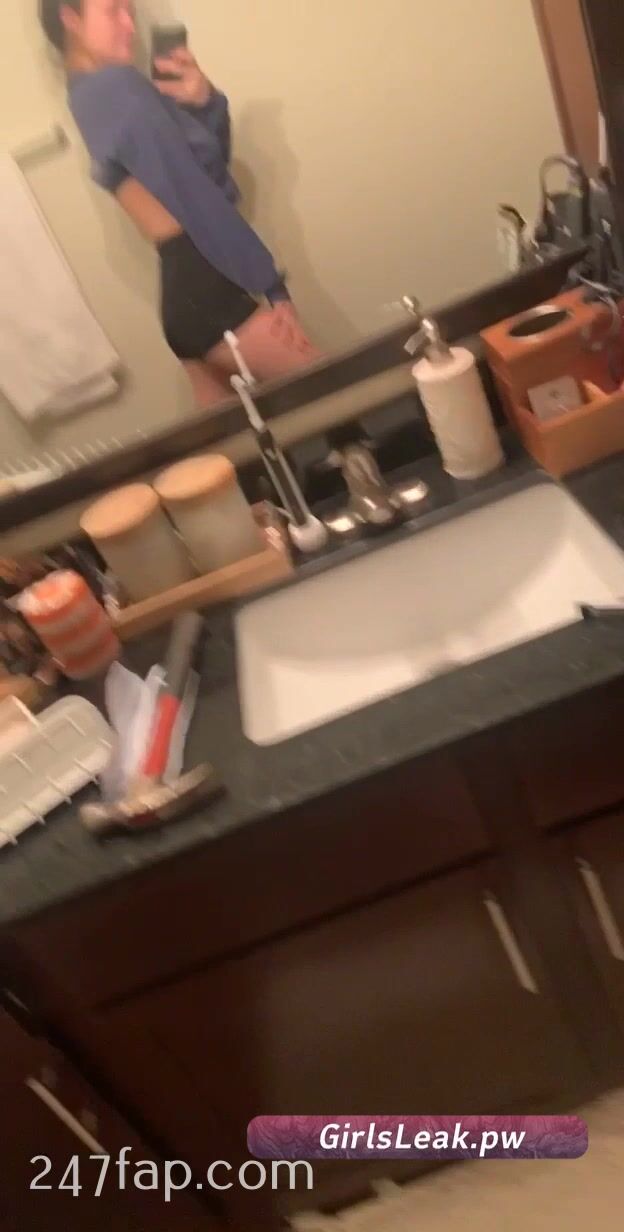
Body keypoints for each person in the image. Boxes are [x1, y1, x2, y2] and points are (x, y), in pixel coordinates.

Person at [39, 0, 321, 408]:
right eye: (113, 10)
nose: (129, 25)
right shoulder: (117, 86)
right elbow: (197, 196)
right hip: (207, 287)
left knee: (240, 444)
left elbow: (199, 174)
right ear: (70, 18)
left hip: (184, 294)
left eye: (131, 12)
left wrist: (202, 104)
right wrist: (272, 287)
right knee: (340, 396)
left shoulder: (83, 96)